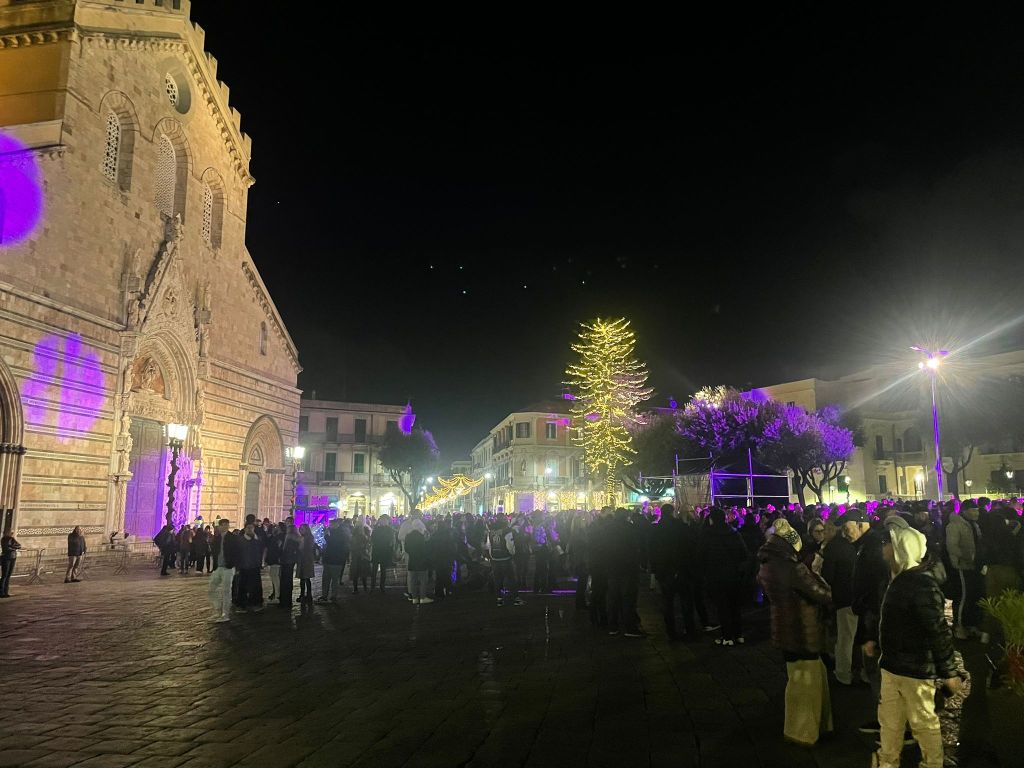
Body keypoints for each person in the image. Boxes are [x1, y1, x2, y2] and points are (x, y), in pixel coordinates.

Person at [872, 522, 960, 768]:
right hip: (892, 666)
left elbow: (938, 630)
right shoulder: (898, 579)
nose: (884, 548)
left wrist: (949, 671)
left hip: (916, 668)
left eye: (888, 543)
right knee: (889, 722)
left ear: (901, 548)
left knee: (923, 723)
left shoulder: (921, 584)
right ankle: (888, 761)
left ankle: (932, 763)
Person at [758, 518, 833, 746]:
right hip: (802, 629)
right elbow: (822, 594)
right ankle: (803, 731)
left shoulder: (768, 563)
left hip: (784, 628)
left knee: (799, 677)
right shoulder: (793, 568)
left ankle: (813, 726)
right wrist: (817, 575)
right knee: (807, 681)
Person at [821, 511, 859, 686]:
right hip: (853, 595)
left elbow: (828, 575)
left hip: (843, 597)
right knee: (850, 634)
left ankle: (843, 673)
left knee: (845, 636)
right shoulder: (850, 545)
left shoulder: (833, 547)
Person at [702, 508, 749, 645]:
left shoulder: (707, 535)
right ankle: (738, 634)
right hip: (733, 575)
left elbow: (701, 555)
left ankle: (727, 636)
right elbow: (744, 554)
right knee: (734, 605)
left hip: (716, 575)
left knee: (722, 606)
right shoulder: (734, 533)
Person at [946, 500, 985, 640]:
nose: (977, 513)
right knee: (963, 596)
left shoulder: (974, 525)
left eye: (977, 510)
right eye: (973, 510)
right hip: (962, 566)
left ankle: (971, 624)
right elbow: (952, 546)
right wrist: (968, 557)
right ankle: (959, 626)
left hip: (974, 566)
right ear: (964, 511)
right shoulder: (955, 525)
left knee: (973, 595)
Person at [606, 508, 642, 637]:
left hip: (612, 566)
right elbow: (635, 545)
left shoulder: (608, 528)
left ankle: (613, 626)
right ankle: (629, 627)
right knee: (628, 598)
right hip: (627, 567)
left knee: (613, 598)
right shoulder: (629, 528)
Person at [487, 517, 523, 606]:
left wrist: (492, 556)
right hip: (506, 559)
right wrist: (513, 553)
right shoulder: (507, 531)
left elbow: (489, 546)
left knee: (498, 580)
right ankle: (515, 599)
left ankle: (499, 599)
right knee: (511, 580)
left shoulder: (490, 533)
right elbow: (510, 545)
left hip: (495, 560)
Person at [208, 519, 239, 623]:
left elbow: (237, 552)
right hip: (218, 567)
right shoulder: (216, 538)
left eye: (227, 525)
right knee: (211, 589)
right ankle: (218, 609)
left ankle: (225, 614)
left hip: (228, 568)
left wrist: (235, 565)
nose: (226, 527)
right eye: (224, 525)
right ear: (219, 526)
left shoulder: (233, 538)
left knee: (226, 591)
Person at [236, 520, 264, 612]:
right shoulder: (240, 540)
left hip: (255, 566)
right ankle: (242, 604)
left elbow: (261, 551)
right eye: (248, 528)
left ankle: (255, 603)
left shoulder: (258, 539)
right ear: (244, 529)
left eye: (251, 528)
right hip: (244, 566)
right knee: (242, 586)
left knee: (255, 586)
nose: (250, 529)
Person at [319, 518, 349, 603]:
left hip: (335, 560)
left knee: (333, 580)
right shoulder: (335, 533)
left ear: (336, 524)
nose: (330, 526)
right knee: (326, 579)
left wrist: (326, 536)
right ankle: (325, 595)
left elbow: (334, 543)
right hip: (329, 559)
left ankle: (333, 596)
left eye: (331, 524)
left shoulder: (340, 533)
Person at [405, 523, 432, 605]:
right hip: (421, 561)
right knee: (423, 580)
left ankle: (414, 598)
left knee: (412, 580)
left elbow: (406, 549)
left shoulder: (408, 536)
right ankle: (423, 597)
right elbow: (425, 549)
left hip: (412, 561)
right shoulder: (421, 537)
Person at [370, 515, 396, 591]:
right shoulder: (389, 530)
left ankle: (373, 586)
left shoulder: (376, 529)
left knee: (375, 570)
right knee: (383, 570)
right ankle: (381, 587)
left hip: (377, 551)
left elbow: (372, 539)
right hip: (384, 551)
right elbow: (391, 542)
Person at [279, 523, 301, 608]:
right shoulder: (296, 539)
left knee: (285, 581)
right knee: (288, 580)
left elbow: (285, 551)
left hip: (286, 561)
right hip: (290, 561)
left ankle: (285, 601)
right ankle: (287, 600)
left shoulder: (289, 539)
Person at [350, 521, 372, 593]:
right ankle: (361, 588)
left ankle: (358, 588)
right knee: (360, 573)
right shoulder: (361, 534)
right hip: (360, 555)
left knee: (359, 573)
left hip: (358, 556)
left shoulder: (356, 534)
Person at [1, 526, 22, 597]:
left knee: (8, 575)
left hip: (12, 557)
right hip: (6, 558)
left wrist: (12, 547)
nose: (12, 534)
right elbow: (6, 548)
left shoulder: (11, 539)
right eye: (11, 532)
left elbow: (19, 546)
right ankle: (1, 592)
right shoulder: (4, 539)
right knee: (5, 575)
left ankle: (6, 591)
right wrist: (13, 547)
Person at [297, 523, 316, 603]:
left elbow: (305, 548)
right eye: (300, 529)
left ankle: (307, 595)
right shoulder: (304, 537)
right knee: (303, 578)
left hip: (306, 559)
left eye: (302, 529)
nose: (301, 531)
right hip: (303, 559)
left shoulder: (308, 538)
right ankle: (304, 595)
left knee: (306, 578)